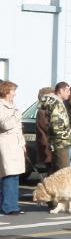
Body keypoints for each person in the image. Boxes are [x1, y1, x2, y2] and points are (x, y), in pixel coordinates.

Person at [0, 81, 26, 215]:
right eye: (13, 90)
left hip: (15, 144)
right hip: (7, 144)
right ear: (6, 91)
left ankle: (12, 204)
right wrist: (16, 115)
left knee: (14, 176)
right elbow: (6, 124)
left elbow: (18, 128)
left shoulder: (12, 105)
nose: (15, 93)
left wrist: (23, 143)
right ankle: (9, 206)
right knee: (9, 175)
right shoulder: (1, 105)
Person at [42, 81, 71, 172]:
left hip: (60, 143)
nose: (69, 94)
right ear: (61, 90)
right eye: (67, 91)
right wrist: (64, 139)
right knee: (63, 171)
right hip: (61, 143)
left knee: (57, 170)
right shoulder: (56, 104)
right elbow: (57, 125)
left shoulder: (58, 103)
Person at [36, 87, 54, 175]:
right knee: (51, 173)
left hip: (51, 147)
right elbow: (48, 128)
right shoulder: (42, 112)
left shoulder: (49, 110)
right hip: (48, 147)